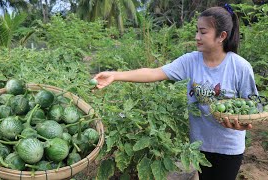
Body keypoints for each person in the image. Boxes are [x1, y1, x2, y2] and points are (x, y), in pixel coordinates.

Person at [93, 4, 258, 180]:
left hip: (229, 148)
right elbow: (154, 72)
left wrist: (241, 124)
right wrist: (115, 75)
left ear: (222, 36)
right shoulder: (190, 61)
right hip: (199, 146)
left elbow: (252, 106)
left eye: (203, 32)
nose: (197, 37)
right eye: (197, 31)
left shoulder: (239, 67)